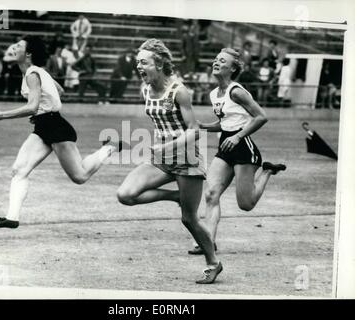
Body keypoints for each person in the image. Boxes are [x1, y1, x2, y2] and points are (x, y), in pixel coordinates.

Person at [0, 36, 122, 229]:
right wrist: (48, 97)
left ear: (28, 54)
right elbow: (60, 90)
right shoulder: (38, 72)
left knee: (80, 176)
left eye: (19, 46)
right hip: (43, 126)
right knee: (19, 170)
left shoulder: (32, 74)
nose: (13, 48)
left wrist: (1, 115)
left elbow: (32, 107)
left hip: (55, 127)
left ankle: (109, 148)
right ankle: (12, 217)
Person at [116, 39, 222, 284]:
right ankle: (175, 196)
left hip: (187, 159)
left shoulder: (178, 90)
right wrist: (161, 149)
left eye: (144, 62)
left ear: (160, 63)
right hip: (161, 159)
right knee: (125, 195)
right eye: (137, 63)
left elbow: (195, 130)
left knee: (189, 219)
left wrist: (167, 145)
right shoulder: (145, 90)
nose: (139, 67)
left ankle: (213, 263)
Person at [188, 48, 286, 255]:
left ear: (232, 68)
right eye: (215, 59)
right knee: (211, 194)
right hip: (226, 146)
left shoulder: (237, 91)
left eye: (222, 61)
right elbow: (225, 123)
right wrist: (202, 126)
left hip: (243, 147)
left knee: (246, 204)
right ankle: (207, 242)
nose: (216, 62)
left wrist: (238, 136)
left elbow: (261, 116)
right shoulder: (214, 94)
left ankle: (267, 171)